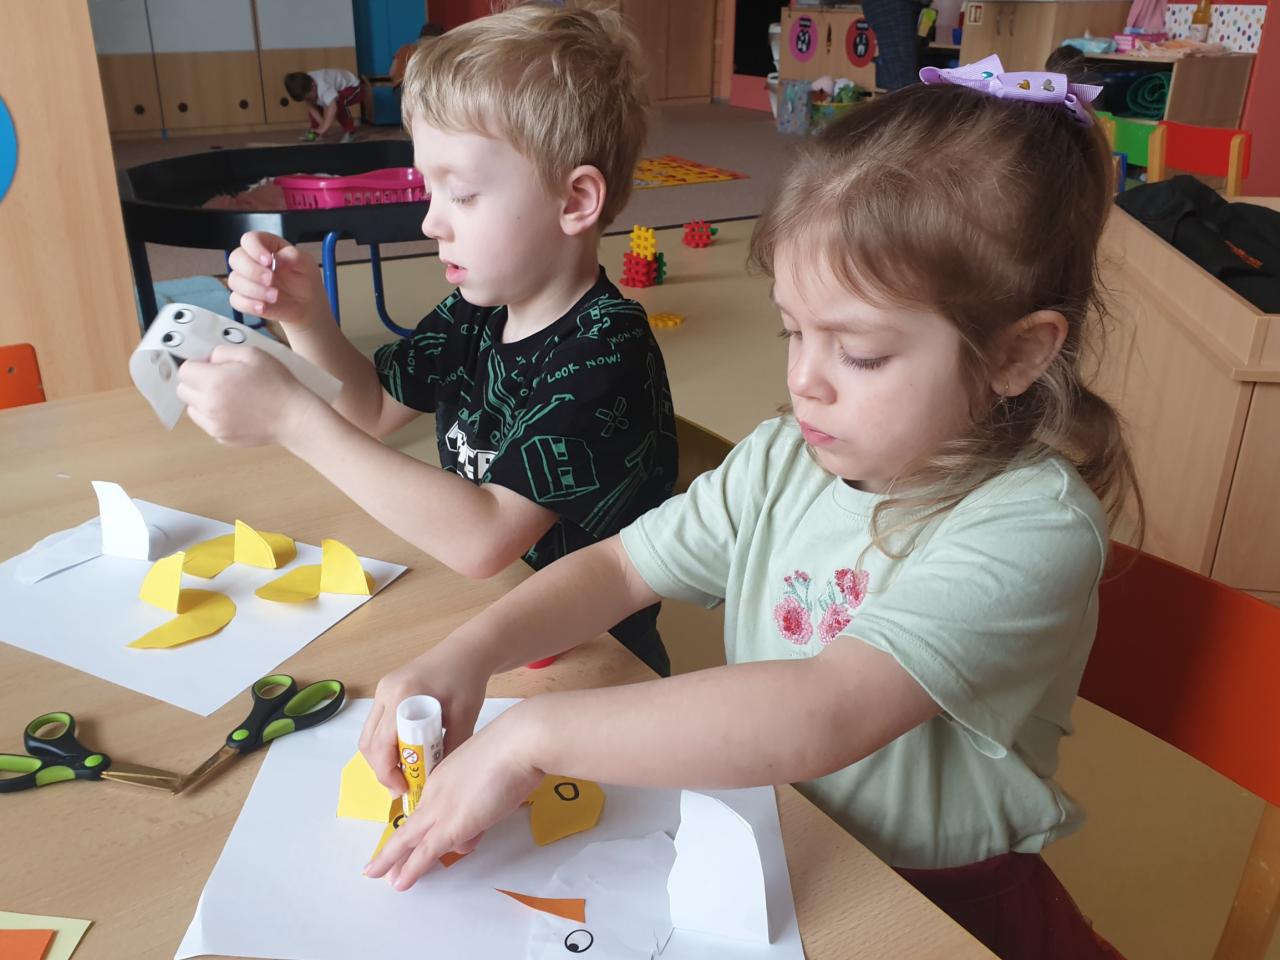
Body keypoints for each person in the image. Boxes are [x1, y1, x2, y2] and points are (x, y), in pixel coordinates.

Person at [359, 57, 1141, 960]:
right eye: (792, 330)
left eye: (859, 353)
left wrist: (529, 738)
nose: (804, 380)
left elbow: (826, 709)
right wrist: (465, 655)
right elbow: (620, 565)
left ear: (1016, 355)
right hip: (770, 840)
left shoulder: (1032, 527)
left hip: (937, 903)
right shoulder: (784, 458)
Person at [177, 3, 678, 676]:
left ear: (575, 201)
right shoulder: (476, 312)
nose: (430, 222)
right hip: (490, 621)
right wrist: (305, 316)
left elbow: (483, 538)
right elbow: (369, 408)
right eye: (428, 188)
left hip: (594, 662)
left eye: (461, 194)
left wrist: (291, 420)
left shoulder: (605, 350)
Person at [284, 68, 365, 142]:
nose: (308, 100)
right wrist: (321, 127)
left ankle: (351, 132)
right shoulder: (304, 84)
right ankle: (315, 132)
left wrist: (322, 129)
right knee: (316, 102)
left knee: (338, 102)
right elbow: (311, 107)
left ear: (313, 84)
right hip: (337, 91)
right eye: (305, 98)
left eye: (309, 97)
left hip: (356, 89)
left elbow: (333, 108)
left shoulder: (323, 86)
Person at [389, 22, 445, 89]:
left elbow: (391, 73)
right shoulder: (432, 51)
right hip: (419, 87)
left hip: (399, 88)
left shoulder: (403, 49)